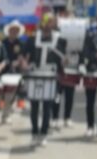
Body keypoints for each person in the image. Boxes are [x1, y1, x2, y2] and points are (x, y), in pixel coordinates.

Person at [25, 13, 66, 147]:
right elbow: (25, 56)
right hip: (35, 74)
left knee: (47, 107)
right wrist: (24, 63)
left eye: (51, 22)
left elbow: (63, 60)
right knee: (34, 107)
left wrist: (65, 63)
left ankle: (43, 134)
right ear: (42, 23)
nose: (48, 25)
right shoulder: (32, 39)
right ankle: (34, 132)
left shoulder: (60, 40)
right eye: (46, 22)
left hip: (51, 76)